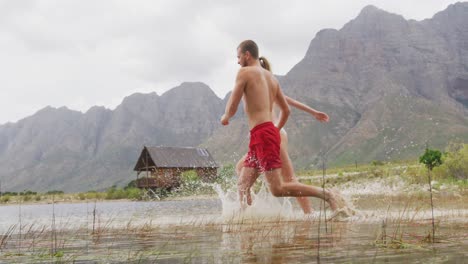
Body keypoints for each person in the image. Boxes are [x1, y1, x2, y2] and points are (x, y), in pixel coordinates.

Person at [221, 40, 341, 211]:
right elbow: (287, 109)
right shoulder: (272, 79)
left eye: (239, 57)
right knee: (242, 183)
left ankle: (325, 196)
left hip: (265, 133)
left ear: (247, 55)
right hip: (263, 134)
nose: (238, 61)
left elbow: (232, 106)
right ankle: (244, 221)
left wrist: (225, 117)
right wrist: (274, 130)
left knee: (279, 188)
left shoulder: (244, 73)